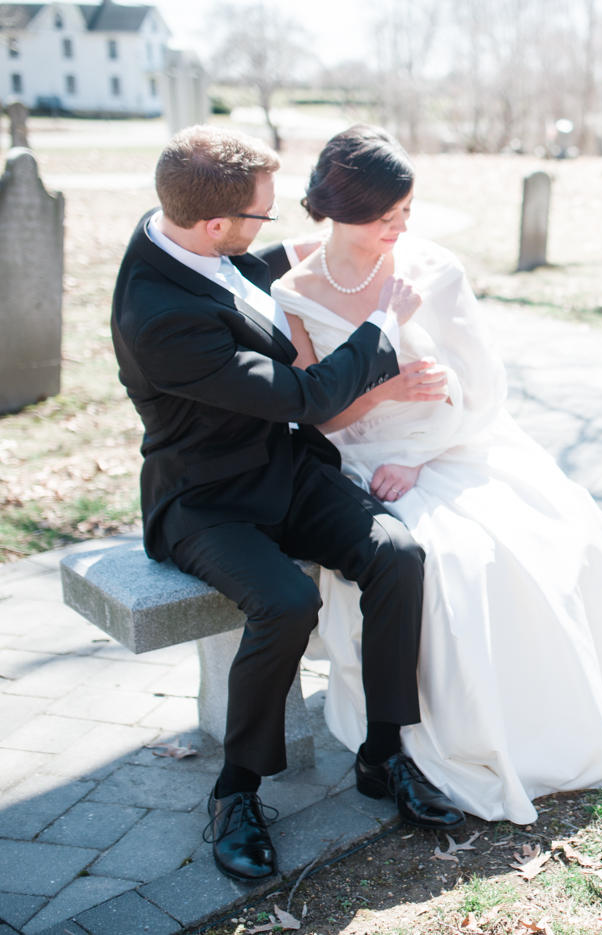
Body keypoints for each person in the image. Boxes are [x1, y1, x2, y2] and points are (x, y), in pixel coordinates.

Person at [270, 125, 602, 824]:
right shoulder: (296, 291)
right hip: (363, 460)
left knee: (552, 543)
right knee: (450, 562)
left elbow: (484, 385)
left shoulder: (432, 269)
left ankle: (542, 723)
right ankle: (416, 738)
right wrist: (388, 393)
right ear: (339, 209)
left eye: (407, 212)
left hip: (452, 439)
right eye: (385, 217)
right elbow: (322, 416)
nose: (400, 229)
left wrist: (422, 452)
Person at [110, 125, 467, 884]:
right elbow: (302, 395)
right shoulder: (160, 316)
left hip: (289, 472)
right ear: (216, 223)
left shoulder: (189, 237)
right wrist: (378, 325)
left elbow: (251, 272)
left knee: (397, 555)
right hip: (208, 500)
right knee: (285, 600)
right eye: (262, 216)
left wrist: (338, 251)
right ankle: (236, 790)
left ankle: (383, 752)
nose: (270, 229)